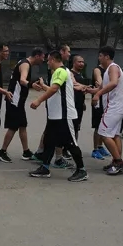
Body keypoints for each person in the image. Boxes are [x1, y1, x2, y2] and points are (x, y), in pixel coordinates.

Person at [28, 50, 89, 181]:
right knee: (49, 141)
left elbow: (54, 89)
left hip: (65, 116)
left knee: (71, 143)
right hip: (56, 116)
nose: (47, 63)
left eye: (48, 60)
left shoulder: (60, 71)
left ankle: (82, 170)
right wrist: (44, 86)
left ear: (53, 60)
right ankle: (45, 168)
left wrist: (38, 101)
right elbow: (55, 91)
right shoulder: (60, 72)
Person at [0, 48, 45, 162]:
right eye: (42, 57)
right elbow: (23, 80)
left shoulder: (24, 63)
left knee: (22, 125)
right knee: (13, 127)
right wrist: (32, 84)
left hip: (18, 101)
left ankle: (26, 151)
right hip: (15, 100)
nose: (43, 60)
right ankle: (2, 151)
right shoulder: (25, 64)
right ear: (37, 56)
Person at [87, 46, 123, 175]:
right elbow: (103, 87)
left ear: (106, 56)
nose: (99, 58)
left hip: (114, 107)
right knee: (115, 135)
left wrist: (98, 95)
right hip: (119, 107)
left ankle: (118, 162)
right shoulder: (109, 70)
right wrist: (89, 90)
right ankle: (116, 161)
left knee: (104, 134)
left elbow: (113, 83)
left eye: (100, 56)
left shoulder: (113, 68)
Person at [90, 63, 110, 160]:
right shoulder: (97, 70)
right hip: (98, 101)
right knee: (98, 125)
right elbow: (100, 82)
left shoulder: (109, 69)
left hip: (106, 100)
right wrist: (106, 85)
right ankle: (95, 150)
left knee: (103, 124)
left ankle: (100, 146)